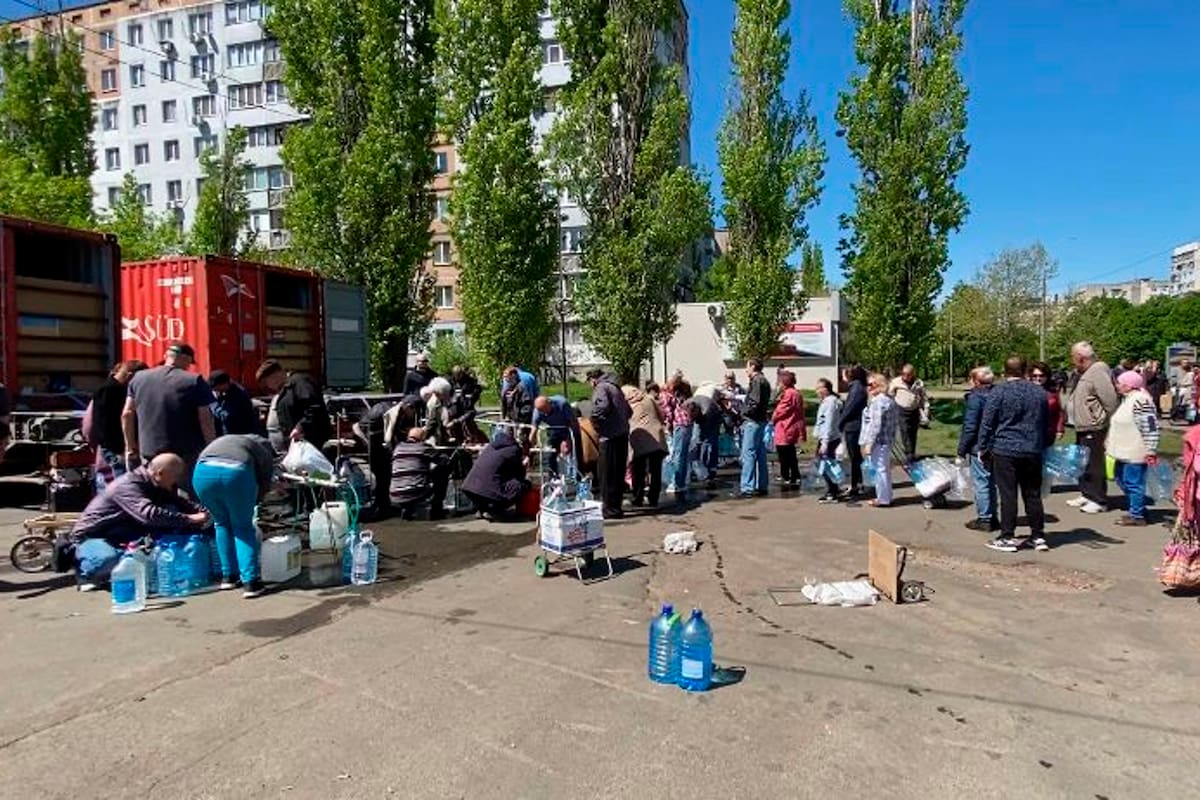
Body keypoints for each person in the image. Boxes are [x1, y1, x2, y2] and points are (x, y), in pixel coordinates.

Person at [69, 454, 210, 589]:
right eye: (175, 477)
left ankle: (127, 557)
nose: (177, 481)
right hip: (93, 536)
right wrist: (190, 519)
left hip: (121, 532)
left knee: (171, 511)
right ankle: (84, 569)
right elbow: (149, 515)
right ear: (160, 473)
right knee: (108, 561)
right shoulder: (128, 485)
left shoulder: (156, 483)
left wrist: (207, 512)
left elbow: (182, 503)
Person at [121, 343, 216, 493]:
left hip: (149, 449)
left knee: (153, 493)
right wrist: (211, 448)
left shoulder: (138, 378)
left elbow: (127, 414)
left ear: (166, 356)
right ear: (185, 359)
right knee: (188, 495)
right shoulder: (194, 380)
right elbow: (205, 418)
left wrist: (130, 445)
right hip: (185, 451)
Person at [192, 434, 278, 598]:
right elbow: (264, 485)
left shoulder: (227, 440)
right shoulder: (263, 451)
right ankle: (251, 582)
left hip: (202, 473)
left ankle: (229, 576)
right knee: (242, 527)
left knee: (221, 523)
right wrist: (257, 498)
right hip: (235, 472)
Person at [978, 355, 1048, 552]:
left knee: (1008, 494)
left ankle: (1007, 535)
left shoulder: (999, 392)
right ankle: (1038, 535)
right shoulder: (1039, 393)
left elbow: (988, 422)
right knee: (1033, 494)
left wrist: (982, 447)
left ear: (1004, 371)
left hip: (1005, 449)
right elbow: (1043, 422)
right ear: (1025, 370)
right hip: (1032, 448)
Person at [1066, 342, 1119, 514]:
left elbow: (1110, 400)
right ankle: (1087, 493)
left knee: (1094, 463)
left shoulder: (1098, 371)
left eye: (1073, 357)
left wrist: (1104, 419)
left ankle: (1098, 499)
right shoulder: (1084, 372)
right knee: (1083, 462)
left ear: (1081, 358)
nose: (1072, 361)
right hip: (1083, 425)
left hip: (1094, 426)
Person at [1106, 370, 1160, 527]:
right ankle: (1139, 509)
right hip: (1122, 450)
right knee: (1121, 478)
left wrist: (1151, 449)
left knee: (1133, 482)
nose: (1116, 386)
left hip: (1135, 451)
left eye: (1119, 383)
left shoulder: (1141, 401)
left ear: (1129, 385)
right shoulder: (1127, 400)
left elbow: (1150, 426)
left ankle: (1136, 515)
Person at [84, 360, 148, 491]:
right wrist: (118, 449)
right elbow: (106, 423)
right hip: (115, 447)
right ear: (130, 376)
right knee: (120, 485)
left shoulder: (111, 388)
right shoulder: (111, 390)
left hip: (114, 445)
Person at [257, 360, 333, 456]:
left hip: (310, 442)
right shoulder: (285, 389)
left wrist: (301, 427)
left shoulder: (300, 382)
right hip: (295, 445)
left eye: (267, 383)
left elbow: (314, 407)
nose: (269, 387)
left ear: (275, 376)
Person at [957, 366, 998, 532]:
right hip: (997, 443)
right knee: (992, 482)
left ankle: (985, 518)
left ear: (975, 381)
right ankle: (992, 515)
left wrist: (961, 449)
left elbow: (970, 427)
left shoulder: (976, 398)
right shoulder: (998, 394)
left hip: (979, 446)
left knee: (981, 482)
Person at [588, 368, 632, 518]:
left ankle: (609, 509)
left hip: (609, 436)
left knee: (606, 475)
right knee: (618, 474)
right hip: (622, 434)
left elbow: (602, 407)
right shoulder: (616, 388)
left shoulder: (601, 387)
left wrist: (594, 420)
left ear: (593, 379)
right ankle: (616, 507)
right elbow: (629, 411)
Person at [461, 428, 530, 519]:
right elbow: (519, 475)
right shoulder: (515, 450)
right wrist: (524, 464)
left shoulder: (491, 446)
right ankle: (496, 510)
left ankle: (482, 509)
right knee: (523, 485)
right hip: (485, 490)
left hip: (469, 487)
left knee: (489, 484)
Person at [390, 427, 452, 520]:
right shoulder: (423, 447)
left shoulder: (398, 448)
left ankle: (408, 508)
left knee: (414, 475)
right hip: (416, 491)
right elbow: (444, 460)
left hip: (395, 494)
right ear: (423, 437)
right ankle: (437, 509)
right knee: (443, 470)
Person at [623, 383, 668, 508]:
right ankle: (654, 498)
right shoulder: (649, 398)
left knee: (638, 470)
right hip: (656, 436)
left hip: (639, 438)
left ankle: (638, 498)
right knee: (656, 470)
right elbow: (661, 415)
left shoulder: (627, 404)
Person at [860, 374, 898, 507]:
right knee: (884, 469)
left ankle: (883, 499)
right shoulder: (888, 400)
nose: (868, 388)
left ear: (879, 385)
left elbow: (875, 425)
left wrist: (869, 444)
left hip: (879, 441)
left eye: (871, 384)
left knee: (880, 469)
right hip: (886, 440)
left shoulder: (878, 402)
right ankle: (886, 496)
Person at [735, 358, 771, 499]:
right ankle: (762, 485)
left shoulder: (756, 381)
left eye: (747, 367)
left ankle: (747, 487)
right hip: (761, 421)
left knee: (748, 453)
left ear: (753, 367)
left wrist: (743, 412)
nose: (746, 370)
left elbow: (754, 403)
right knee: (760, 453)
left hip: (753, 421)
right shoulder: (764, 381)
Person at [771, 370, 806, 490]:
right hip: (792, 426)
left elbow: (781, 411)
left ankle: (786, 476)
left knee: (783, 453)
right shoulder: (796, 393)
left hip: (784, 427)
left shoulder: (788, 394)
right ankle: (794, 475)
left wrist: (773, 416)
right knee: (790, 453)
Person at [838, 365, 869, 500]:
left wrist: (840, 422)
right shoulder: (856, 387)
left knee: (854, 456)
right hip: (854, 425)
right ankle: (859, 482)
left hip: (853, 426)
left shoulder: (856, 388)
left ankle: (856, 484)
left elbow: (849, 408)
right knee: (855, 456)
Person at [888, 364, 928, 465]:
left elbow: (923, 397)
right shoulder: (896, 382)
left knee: (912, 432)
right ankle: (909, 454)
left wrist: (925, 411)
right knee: (905, 431)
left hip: (914, 410)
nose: (905, 377)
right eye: (904, 374)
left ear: (913, 374)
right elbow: (890, 394)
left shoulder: (919, 383)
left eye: (908, 374)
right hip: (901, 410)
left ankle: (912, 453)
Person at [663, 377, 695, 501]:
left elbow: (669, 413)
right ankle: (682, 481)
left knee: (678, 455)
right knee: (683, 455)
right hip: (688, 424)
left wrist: (668, 425)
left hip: (680, 425)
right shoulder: (685, 394)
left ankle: (678, 484)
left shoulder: (672, 395)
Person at [533, 394, 581, 476]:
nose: (544, 413)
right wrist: (531, 441)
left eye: (545, 409)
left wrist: (568, 440)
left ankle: (572, 477)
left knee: (570, 454)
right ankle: (553, 477)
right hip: (554, 431)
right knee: (551, 456)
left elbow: (574, 424)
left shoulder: (562, 404)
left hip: (567, 429)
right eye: (541, 411)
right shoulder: (539, 409)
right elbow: (534, 427)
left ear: (549, 403)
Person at [813, 378, 843, 503]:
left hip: (829, 439)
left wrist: (824, 442)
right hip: (829, 437)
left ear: (826, 389)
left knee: (825, 465)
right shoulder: (828, 401)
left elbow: (828, 423)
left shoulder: (830, 403)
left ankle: (832, 491)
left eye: (819, 388)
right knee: (828, 464)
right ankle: (834, 488)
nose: (817, 391)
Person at [688, 392, 724, 488]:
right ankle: (701, 469)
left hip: (714, 417)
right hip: (700, 410)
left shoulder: (707, 412)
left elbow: (704, 435)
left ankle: (710, 468)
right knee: (696, 441)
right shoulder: (687, 405)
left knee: (709, 442)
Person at [209, 370, 260, 436]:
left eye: (216, 388)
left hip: (239, 434)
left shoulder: (238, 395)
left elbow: (226, 416)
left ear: (225, 384)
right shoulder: (226, 391)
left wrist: (213, 405)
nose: (215, 391)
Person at [1029, 361, 1065, 446]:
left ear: (1047, 376)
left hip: (1048, 433)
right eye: (1035, 376)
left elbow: (1059, 412)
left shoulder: (1053, 392)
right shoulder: (1026, 391)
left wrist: (1060, 429)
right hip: (1030, 433)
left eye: (1041, 376)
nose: (1038, 378)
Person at [500, 366, 534, 441]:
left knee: (521, 440)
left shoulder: (522, 388)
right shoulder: (507, 388)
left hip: (520, 421)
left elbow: (527, 405)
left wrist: (521, 420)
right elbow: (504, 404)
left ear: (513, 376)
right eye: (504, 377)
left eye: (507, 377)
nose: (505, 379)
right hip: (510, 420)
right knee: (507, 438)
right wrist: (504, 417)